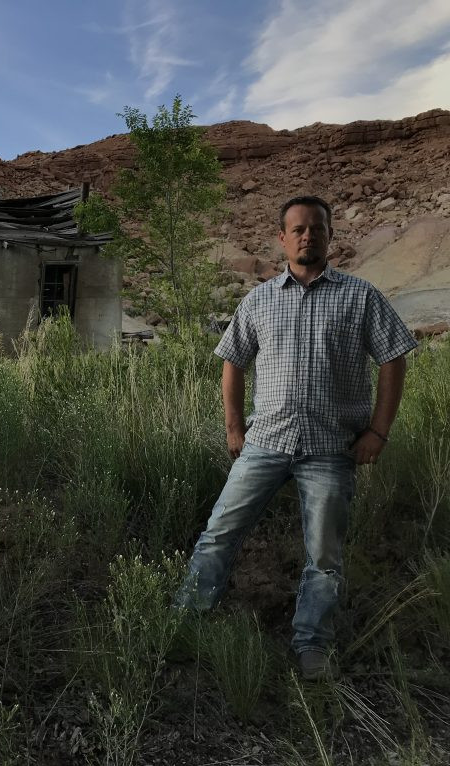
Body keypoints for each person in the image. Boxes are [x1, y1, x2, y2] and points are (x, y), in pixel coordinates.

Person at [176, 195, 418, 681]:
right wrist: (234, 427)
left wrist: (378, 431)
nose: (308, 236)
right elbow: (233, 361)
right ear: (282, 239)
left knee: (324, 558)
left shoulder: (360, 296)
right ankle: (185, 621)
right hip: (266, 442)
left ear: (330, 236)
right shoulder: (260, 299)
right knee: (219, 534)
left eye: (317, 228)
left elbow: (393, 358)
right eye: (299, 229)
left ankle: (312, 647)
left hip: (332, 448)